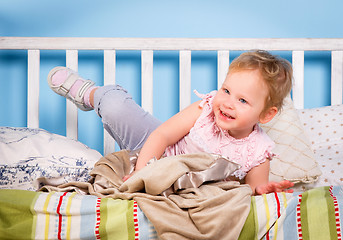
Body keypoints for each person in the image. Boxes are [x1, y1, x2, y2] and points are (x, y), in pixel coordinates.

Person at [47, 50, 294, 195]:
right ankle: (91, 95)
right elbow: (162, 135)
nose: (228, 103)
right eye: (226, 90)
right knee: (115, 105)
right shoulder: (206, 108)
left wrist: (263, 191)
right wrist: (140, 171)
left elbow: (252, 191)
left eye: (242, 100)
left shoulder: (259, 150)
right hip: (155, 150)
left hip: (184, 187)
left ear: (266, 115)